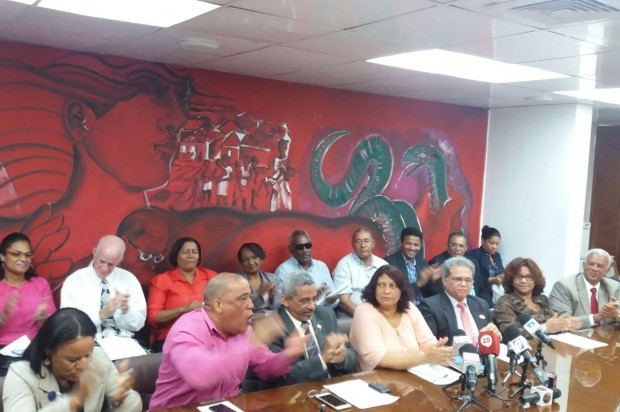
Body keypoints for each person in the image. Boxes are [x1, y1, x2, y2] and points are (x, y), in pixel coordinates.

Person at [148, 272, 307, 410]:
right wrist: (250, 343)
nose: (251, 305)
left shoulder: (242, 329)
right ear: (218, 305)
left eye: (250, 297)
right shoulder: (186, 330)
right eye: (243, 299)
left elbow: (266, 368)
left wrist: (287, 355)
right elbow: (201, 377)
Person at [3, 307, 141, 411]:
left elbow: (131, 404)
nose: (83, 365)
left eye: (87, 355)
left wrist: (123, 398)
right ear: (49, 352)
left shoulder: (99, 359)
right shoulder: (21, 375)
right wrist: (73, 401)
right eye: (72, 359)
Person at [349, 265, 452, 371]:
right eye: (381, 285)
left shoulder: (409, 308)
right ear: (374, 289)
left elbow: (427, 342)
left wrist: (436, 351)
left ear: (401, 290)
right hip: (377, 377)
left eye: (393, 285)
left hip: (414, 373)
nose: (386, 291)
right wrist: (424, 357)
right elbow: (380, 358)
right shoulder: (364, 311)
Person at [268, 271, 357, 385]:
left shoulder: (326, 314)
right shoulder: (272, 327)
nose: (312, 306)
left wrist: (343, 357)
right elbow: (282, 378)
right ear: (285, 300)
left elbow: (352, 355)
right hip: (297, 391)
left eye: (314, 299)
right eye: (304, 301)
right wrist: (322, 359)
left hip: (332, 386)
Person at [61, 235, 147, 339]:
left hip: (123, 341)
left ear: (120, 259)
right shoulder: (74, 281)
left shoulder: (129, 279)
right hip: (86, 341)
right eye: (101, 261)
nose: (105, 268)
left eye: (111, 264)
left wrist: (126, 311)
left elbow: (138, 325)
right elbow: (69, 325)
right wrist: (103, 313)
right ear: (95, 252)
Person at [147, 237, 217, 352]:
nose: (191, 255)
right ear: (176, 256)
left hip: (209, 335)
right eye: (186, 252)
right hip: (174, 337)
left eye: (194, 252)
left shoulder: (211, 276)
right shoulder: (162, 280)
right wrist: (184, 309)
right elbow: (153, 317)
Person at [418, 257, 500, 346]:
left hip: (482, 353)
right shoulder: (430, 306)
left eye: (468, 280)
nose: (463, 284)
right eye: (458, 279)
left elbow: (490, 338)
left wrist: (495, 336)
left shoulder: (481, 304)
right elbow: (430, 346)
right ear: (444, 280)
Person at [494, 257, 581, 335]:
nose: (523, 281)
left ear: (535, 280)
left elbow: (553, 324)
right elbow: (509, 334)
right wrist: (544, 328)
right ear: (511, 280)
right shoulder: (505, 302)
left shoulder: (543, 299)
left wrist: (564, 324)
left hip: (552, 344)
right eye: (518, 277)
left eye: (528, 277)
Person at [0, 233, 56, 347]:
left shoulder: (40, 284)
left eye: (28, 255)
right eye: (16, 254)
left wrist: (43, 319)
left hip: (34, 347)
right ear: (2, 256)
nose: (23, 259)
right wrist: (3, 316)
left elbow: (51, 328)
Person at [549, 248, 620, 329]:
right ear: (584, 265)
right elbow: (563, 322)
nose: (594, 269)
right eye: (591, 264)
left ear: (607, 270)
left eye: (599, 266)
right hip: (576, 335)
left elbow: (617, 314)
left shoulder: (615, 287)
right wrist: (597, 317)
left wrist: (616, 315)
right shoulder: (563, 286)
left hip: (605, 335)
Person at [274, 230, 338, 308]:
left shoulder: (321, 266)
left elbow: (334, 297)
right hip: (299, 313)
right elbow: (282, 303)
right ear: (290, 249)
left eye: (308, 246)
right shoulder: (283, 271)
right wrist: (314, 295)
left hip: (324, 310)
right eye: (300, 247)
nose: (305, 250)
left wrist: (332, 299)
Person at [333, 228, 388, 317]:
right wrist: (366, 317)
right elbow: (344, 300)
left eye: (366, 241)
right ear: (352, 244)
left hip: (380, 314)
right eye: (358, 241)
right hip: (352, 316)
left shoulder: (383, 265)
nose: (363, 245)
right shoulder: (344, 265)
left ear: (373, 244)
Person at [384, 227, 442, 305]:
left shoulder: (423, 263)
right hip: (400, 307)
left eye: (416, 245)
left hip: (422, 308)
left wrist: (433, 281)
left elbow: (430, 295)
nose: (412, 248)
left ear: (420, 246)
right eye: (408, 244)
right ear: (401, 243)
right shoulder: (389, 263)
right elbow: (395, 292)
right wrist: (419, 283)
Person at [465, 225, 504, 306]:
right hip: (482, 292)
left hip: (498, 292)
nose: (494, 247)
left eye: (497, 244)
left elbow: (502, 272)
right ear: (483, 240)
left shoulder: (497, 256)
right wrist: (492, 280)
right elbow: (474, 279)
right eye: (491, 243)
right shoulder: (474, 254)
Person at [237, 242, 279, 314]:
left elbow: (278, 307)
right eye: (245, 260)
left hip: (272, 318)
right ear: (241, 263)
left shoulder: (273, 278)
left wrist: (271, 297)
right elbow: (243, 309)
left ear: (262, 259)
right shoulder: (235, 282)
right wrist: (259, 294)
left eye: (254, 257)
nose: (251, 263)